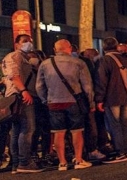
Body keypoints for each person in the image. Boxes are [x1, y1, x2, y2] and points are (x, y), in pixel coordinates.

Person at [36, 39, 94, 170]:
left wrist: (46, 100)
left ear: (55, 50)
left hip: (54, 102)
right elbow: (87, 86)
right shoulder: (79, 63)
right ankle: (78, 160)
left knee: (58, 132)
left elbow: (39, 86)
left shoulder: (45, 64)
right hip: (73, 101)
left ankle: (62, 162)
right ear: (69, 49)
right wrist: (91, 102)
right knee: (77, 131)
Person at [2, 34, 42, 173]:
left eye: (30, 41)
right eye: (25, 41)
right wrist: (24, 91)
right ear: (17, 44)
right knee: (27, 128)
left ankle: (17, 164)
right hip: (20, 97)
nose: (29, 43)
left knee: (17, 131)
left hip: (20, 95)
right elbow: (14, 75)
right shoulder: (15, 56)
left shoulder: (26, 58)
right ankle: (24, 163)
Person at [95, 37, 127, 163]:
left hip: (112, 97)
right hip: (125, 96)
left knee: (114, 125)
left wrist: (99, 99)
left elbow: (102, 81)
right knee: (123, 123)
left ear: (104, 47)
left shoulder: (105, 60)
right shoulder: (125, 60)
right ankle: (125, 149)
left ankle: (120, 152)